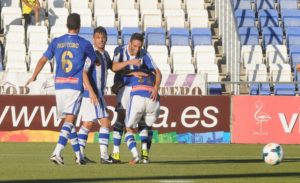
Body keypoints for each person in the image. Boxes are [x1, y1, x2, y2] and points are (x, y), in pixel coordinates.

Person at [26, 13, 98, 165]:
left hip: (59, 86)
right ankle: (56, 152)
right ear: (79, 26)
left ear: (67, 25)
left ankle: (79, 156)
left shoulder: (57, 42)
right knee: (70, 120)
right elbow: (95, 60)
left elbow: (43, 59)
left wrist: (34, 76)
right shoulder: (84, 43)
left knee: (68, 121)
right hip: (74, 85)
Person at [110, 33, 161, 163]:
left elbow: (157, 72)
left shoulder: (144, 54)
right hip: (124, 87)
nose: (137, 49)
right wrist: (131, 63)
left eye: (139, 46)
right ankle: (116, 153)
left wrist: (156, 87)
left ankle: (143, 155)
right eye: (134, 46)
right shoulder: (120, 50)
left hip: (138, 89)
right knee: (121, 118)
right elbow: (114, 67)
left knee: (141, 121)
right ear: (130, 43)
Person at [76, 26, 114, 164]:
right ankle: (103, 156)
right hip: (92, 94)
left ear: (106, 39)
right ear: (93, 39)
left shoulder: (105, 55)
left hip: (97, 94)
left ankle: (79, 154)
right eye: (98, 37)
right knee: (103, 122)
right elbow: (84, 72)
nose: (101, 39)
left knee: (88, 123)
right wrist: (91, 91)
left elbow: (113, 67)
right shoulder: (92, 54)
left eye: (103, 37)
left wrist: (129, 66)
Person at [124, 50, 161, 164]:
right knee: (146, 126)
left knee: (128, 129)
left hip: (138, 98)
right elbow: (159, 74)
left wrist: (130, 73)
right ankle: (145, 156)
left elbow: (121, 81)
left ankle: (135, 156)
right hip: (153, 99)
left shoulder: (133, 74)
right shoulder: (153, 76)